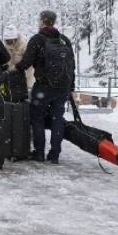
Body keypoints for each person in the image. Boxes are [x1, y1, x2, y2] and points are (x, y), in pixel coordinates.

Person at [16, 10, 75, 164]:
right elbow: (71, 66)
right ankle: (54, 154)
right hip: (63, 87)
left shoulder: (37, 39)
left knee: (37, 117)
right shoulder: (64, 40)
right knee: (57, 118)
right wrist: (71, 88)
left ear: (42, 21)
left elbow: (26, 62)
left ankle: (39, 152)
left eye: (39, 19)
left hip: (44, 86)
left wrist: (15, 68)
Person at [2, 25, 35, 89]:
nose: (8, 42)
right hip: (12, 77)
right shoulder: (6, 47)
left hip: (24, 76)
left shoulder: (24, 46)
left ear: (15, 39)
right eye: (7, 40)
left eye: (10, 41)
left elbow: (29, 64)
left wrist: (29, 84)